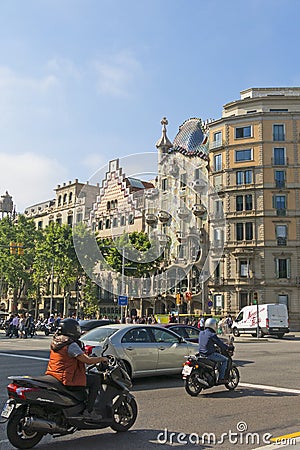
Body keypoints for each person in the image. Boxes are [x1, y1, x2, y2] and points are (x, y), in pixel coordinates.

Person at [45, 318, 108, 421]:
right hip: (67, 377)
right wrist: (101, 359)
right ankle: (89, 411)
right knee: (95, 380)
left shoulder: (56, 341)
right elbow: (86, 360)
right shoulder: (70, 345)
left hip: (54, 374)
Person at [198, 317, 232, 384]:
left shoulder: (201, 333)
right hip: (209, 354)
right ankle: (221, 378)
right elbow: (220, 344)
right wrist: (227, 347)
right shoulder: (212, 334)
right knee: (225, 360)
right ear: (213, 325)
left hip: (201, 354)